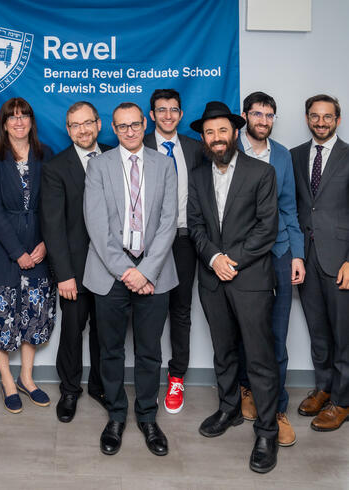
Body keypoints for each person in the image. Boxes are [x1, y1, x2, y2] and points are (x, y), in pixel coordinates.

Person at [187, 101, 279, 473]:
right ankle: (229, 408)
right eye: (209, 132)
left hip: (251, 279)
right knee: (223, 352)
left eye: (222, 130)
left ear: (235, 132)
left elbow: (267, 228)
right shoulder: (197, 176)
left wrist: (231, 260)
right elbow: (195, 225)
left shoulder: (262, 172)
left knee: (259, 357)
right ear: (204, 138)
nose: (216, 138)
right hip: (212, 279)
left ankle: (267, 430)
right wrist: (214, 259)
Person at [84, 102, 178, 457]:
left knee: (149, 350)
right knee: (110, 350)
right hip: (110, 273)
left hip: (154, 272)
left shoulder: (164, 165)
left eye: (135, 125)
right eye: (122, 126)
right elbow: (97, 225)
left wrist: (146, 271)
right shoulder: (99, 166)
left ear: (144, 124)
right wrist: (127, 271)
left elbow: (168, 223)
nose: (129, 131)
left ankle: (148, 417)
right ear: (113, 128)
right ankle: (116, 415)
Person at [236, 92, 305, 446]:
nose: (263, 121)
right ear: (245, 115)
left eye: (269, 115)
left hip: (278, 251)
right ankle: (246, 388)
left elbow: (289, 207)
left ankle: (277, 409)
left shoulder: (281, 155)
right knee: (245, 329)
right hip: (241, 254)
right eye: (257, 114)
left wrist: (296, 254)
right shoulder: (229, 148)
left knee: (277, 332)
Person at [0, 97, 56, 413]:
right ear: (4, 124)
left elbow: (54, 205)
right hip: (3, 253)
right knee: (1, 319)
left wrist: (45, 244)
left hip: (39, 250)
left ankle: (26, 377)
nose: (18, 121)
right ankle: (7, 381)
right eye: (12, 117)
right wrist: (18, 252)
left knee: (34, 316)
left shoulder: (45, 155)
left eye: (24, 115)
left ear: (31, 121)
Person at [41, 101, 110, 423]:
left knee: (105, 331)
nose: (82, 130)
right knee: (72, 332)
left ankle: (100, 386)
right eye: (75, 125)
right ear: (68, 131)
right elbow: (53, 226)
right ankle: (70, 390)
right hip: (76, 270)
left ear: (98, 124)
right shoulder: (56, 168)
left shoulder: (115, 157)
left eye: (87, 123)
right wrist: (64, 274)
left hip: (112, 266)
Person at [291, 94, 349, 431]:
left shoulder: (347, 155)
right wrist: (295, 254)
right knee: (318, 332)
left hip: (340, 260)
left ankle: (342, 401)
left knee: (343, 334)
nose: (321, 122)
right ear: (307, 118)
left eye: (328, 116)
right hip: (306, 259)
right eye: (315, 116)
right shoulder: (296, 155)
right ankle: (324, 388)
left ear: (337, 120)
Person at [144, 89, 202, 414]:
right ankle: (148, 379)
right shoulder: (139, 145)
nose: (168, 115)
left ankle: (177, 377)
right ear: (152, 115)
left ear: (181, 114)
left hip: (184, 240)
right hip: (149, 243)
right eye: (161, 110)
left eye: (174, 110)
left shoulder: (195, 149)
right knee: (150, 312)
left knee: (181, 310)